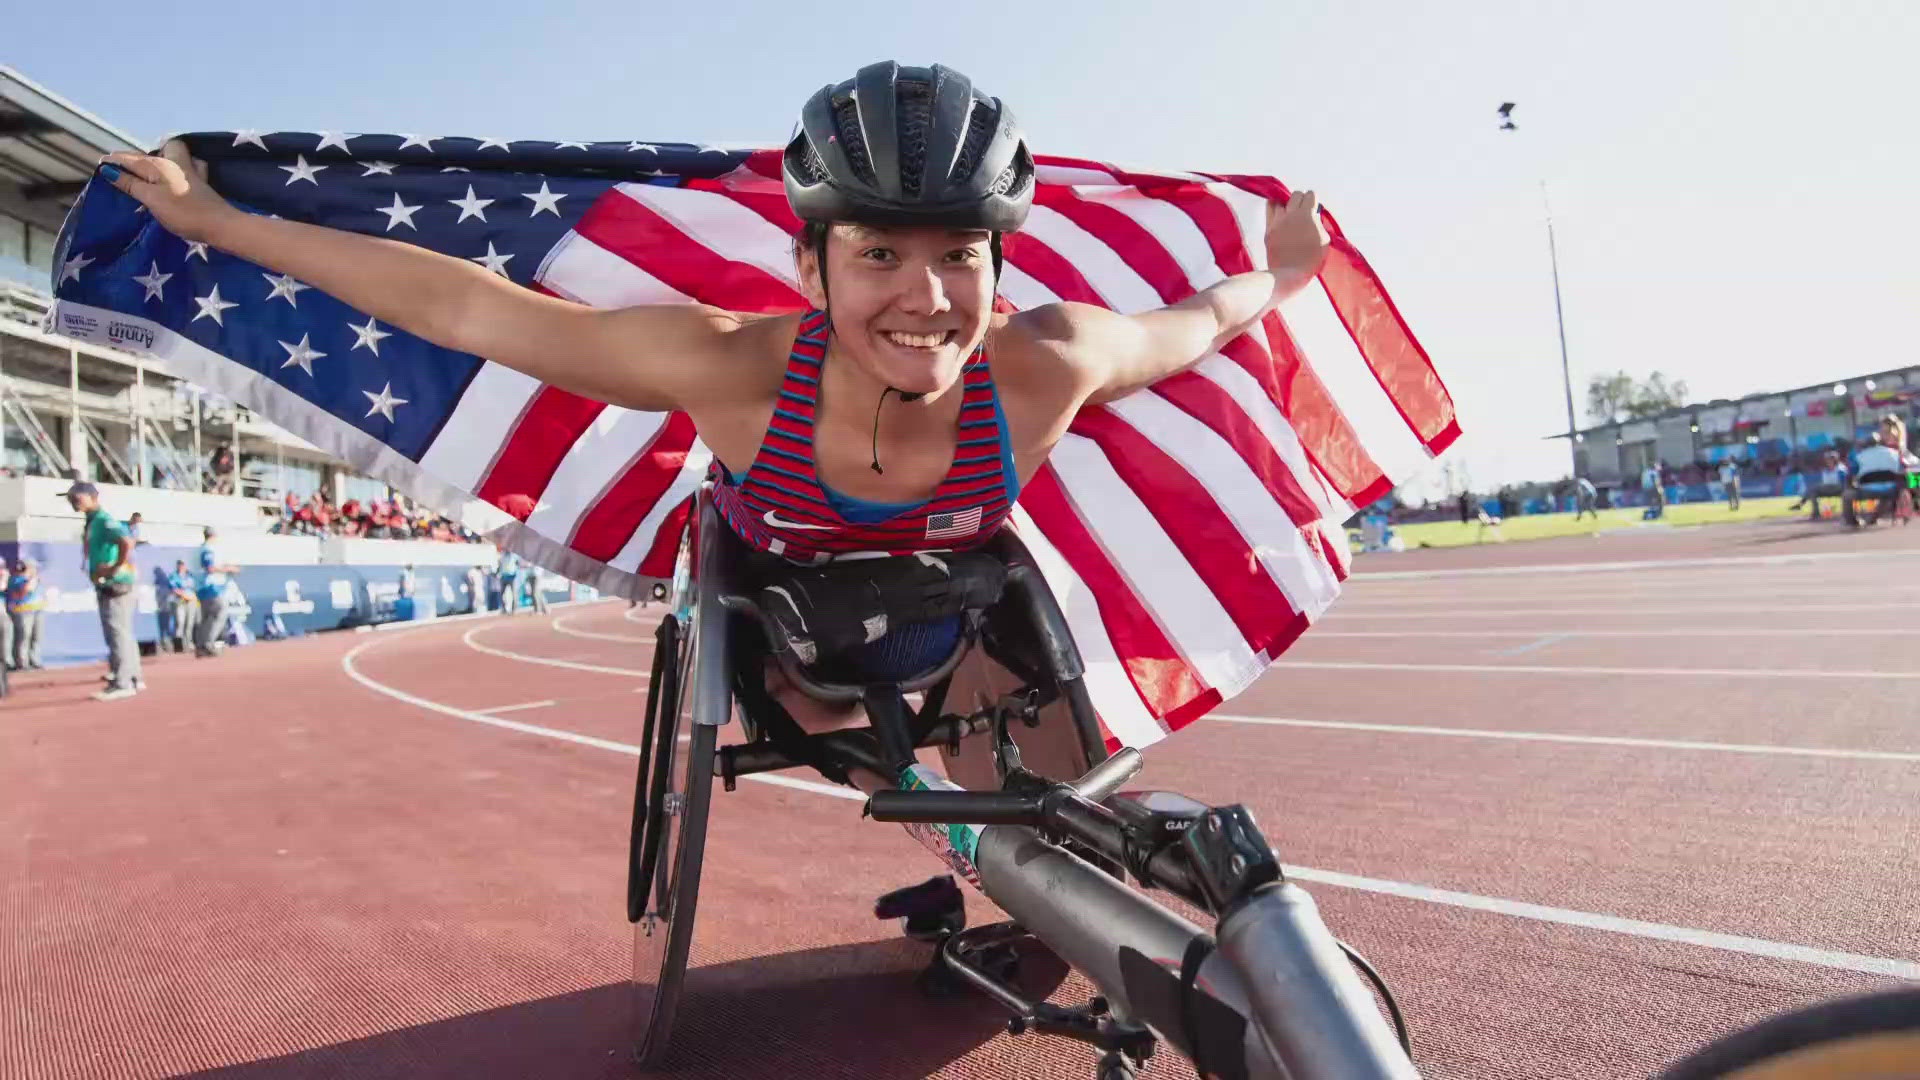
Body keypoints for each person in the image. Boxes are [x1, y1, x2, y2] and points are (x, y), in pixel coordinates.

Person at [100, 60, 1330, 795]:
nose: (926, 297)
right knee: (845, 668)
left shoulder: (1047, 364)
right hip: (785, 645)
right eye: (880, 256)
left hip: (955, 625)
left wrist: (1276, 278)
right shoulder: (730, 368)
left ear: (999, 267)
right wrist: (224, 228)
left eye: (960, 254)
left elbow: (1193, 323)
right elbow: (466, 305)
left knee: (1067, 762)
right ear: (810, 265)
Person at [66, 481, 142, 700]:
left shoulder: (102, 520)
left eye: (77, 497)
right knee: (122, 631)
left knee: (116, 631)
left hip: (115, 582)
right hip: (111, 581)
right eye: (70, 497)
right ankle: (132, 676)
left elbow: (126, 541)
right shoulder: (93, 521)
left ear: (92, 496)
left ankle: (123, 682)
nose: (73, 501)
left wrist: (113, 567)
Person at [194, 526, 241, 657]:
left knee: (207, 617)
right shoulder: (208, 549)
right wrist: (228, 569)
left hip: (203, 587)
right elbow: (210, 568)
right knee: (220, 613)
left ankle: (201, 646)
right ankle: (208, 643)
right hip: (211, 587)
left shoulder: (201, 549)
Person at [7, 558, 44, 670]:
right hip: (22, 610)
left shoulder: (35, 579)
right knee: (23, 636)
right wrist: (30, 580)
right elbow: (23, 591)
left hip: (36, 609)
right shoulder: (16, 579)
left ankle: (34, 660)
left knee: (36, 636)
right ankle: (21, 662)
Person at [165, 558, 199, 653]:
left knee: (190, 623)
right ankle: (179, 645)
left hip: (191, 601)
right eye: (179, 564)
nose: (181, 566)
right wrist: (183, 595)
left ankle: (188, 643)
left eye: (183, 564)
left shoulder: (190, 575)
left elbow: (195, 587)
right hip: (180, 601)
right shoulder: (174, 576)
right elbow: (174, 588)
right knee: (180, 622)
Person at [496, 550, 522, 615]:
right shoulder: (502, 555)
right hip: (504, 576)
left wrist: (516, 572)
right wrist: (498, 572)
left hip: (512, 576)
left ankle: (514, 610)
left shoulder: (514, 556)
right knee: (501, 594)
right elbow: (499, 565)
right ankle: (504, 609)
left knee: (514, 593)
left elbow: (518, 564)